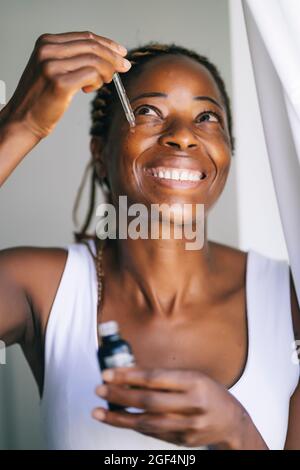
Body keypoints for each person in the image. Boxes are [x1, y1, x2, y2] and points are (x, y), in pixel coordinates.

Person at [0, 31, 299, 450]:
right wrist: (20, 124)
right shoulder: (39, 286)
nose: (182, 135)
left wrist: (238, 433)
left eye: (206, 117)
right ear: (100, 154)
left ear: (228, 152)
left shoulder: (291, 299)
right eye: (148, 112)